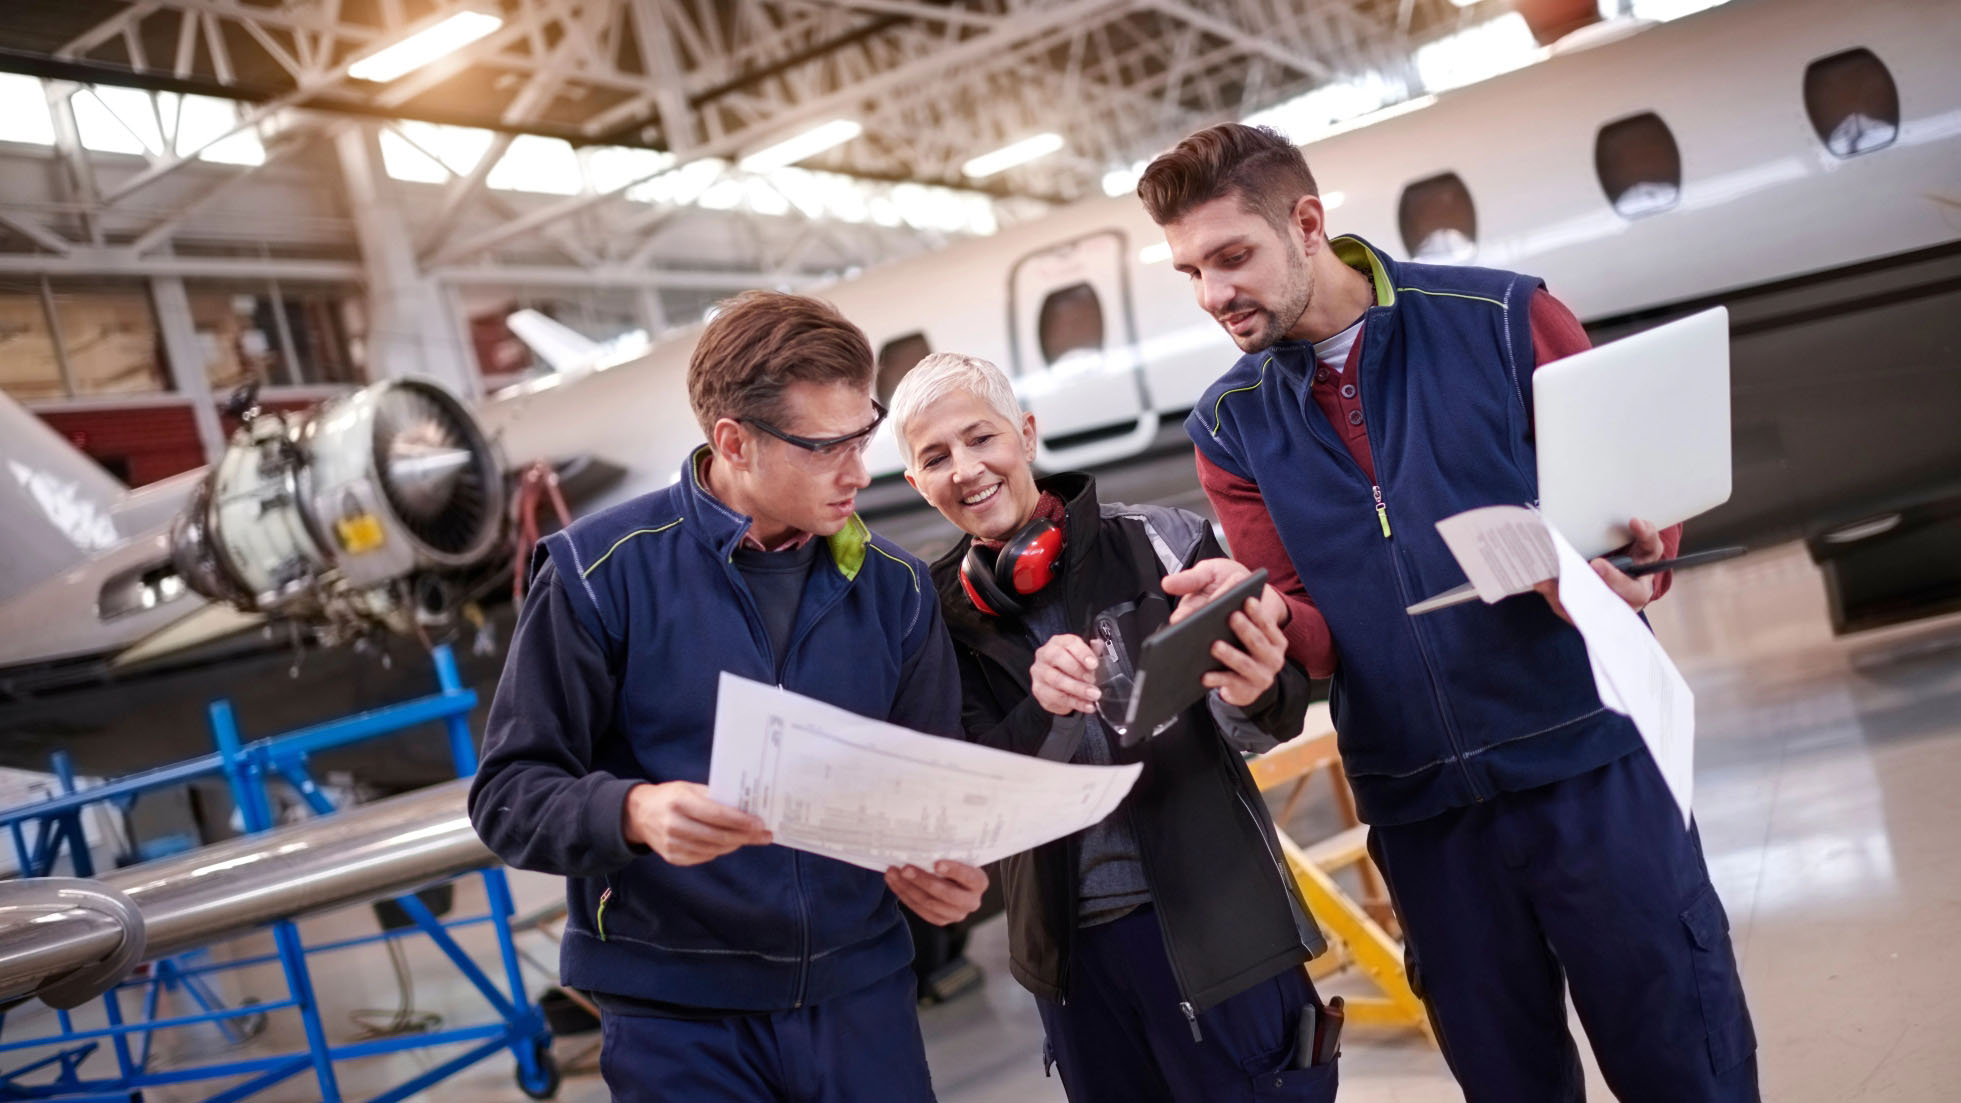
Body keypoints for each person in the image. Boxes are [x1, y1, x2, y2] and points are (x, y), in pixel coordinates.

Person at [1135, 123, 1758, 1102]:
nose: (1213, 294)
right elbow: (1312, 626)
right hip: (1423, 814)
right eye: (1189, 272)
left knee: (1683, 1062)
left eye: (1230, 256)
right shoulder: (1230, 421)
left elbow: (1632, 512)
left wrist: (1635, 558)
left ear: (1306, 224)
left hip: (1589, 765)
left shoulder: (1501, 317)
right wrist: (1247, 620)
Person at [468, 291, 987, 1103]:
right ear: (733, 442)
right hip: (677, 1015)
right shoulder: (600, 575)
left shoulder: (895, 588)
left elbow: (927, 786)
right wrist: (633, 813)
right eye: (825, 448)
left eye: (863, 437)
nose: (858, 471)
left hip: (862, 998)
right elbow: (507, 796)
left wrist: (946, 871)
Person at [889, 351, 1339, 1102]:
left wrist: (1256, 686)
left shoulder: (1161, 541)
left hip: (1221, 927)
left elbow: (1271, 711)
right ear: (914, 484)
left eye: (981, 438)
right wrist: (1042, 708)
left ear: (1025, 434)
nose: (964, 468)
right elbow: (969, 795)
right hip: (1074, 966)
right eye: (934, 457)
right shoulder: (933, 621)